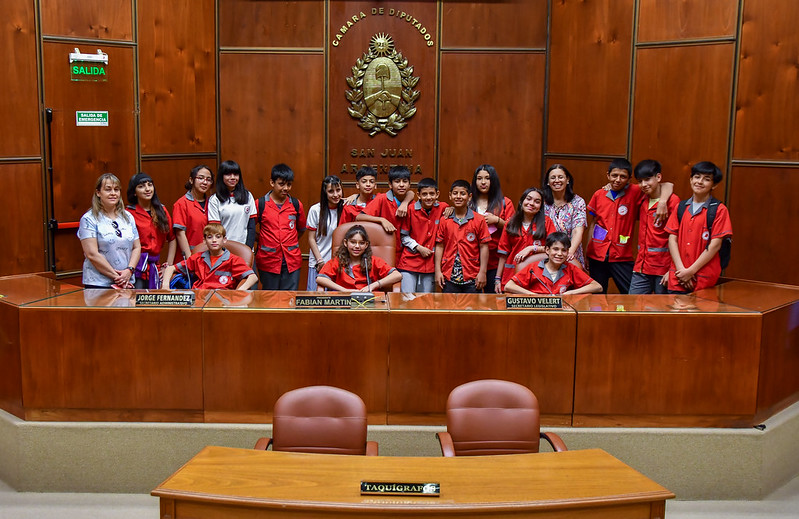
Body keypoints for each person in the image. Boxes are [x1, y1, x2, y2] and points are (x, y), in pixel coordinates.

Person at [586, 158, 673, 294]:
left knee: (630, 295)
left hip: (621, 255)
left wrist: (662, 201)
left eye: (623, 177)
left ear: (629, 179)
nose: (618, 180)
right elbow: (594, 223)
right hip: (597, 253)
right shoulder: (599, 194)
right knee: (597, 296)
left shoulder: (636, 191)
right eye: (614, 175)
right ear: (608, 175)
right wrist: (588, 250)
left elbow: (667, 185)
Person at [665, 161, 733, 293]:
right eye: (696, 177)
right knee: (673, 310)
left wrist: (690, 271)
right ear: (691, 179)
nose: (700, 182)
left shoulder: (719, 210)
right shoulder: (681, 207)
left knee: (700, 311)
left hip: (703, 277)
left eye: (706, 179)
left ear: (714, 185)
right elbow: (672, 239)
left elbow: (715, 245)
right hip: (678, 275)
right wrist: (682, 271)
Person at [77, 173, 141, 289]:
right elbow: (92, 254)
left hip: (127, 281)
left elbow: (137, 247)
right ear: (98, 192)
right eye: (108, 189)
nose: (113, 193)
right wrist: (117, 277)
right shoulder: (88, 219)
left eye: (116, 189)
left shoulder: (128, 217)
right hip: (99, 284)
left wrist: (129, 270)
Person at [629, 160, 680, 294]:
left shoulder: (673, 201)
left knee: (660, 310)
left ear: (658, 177)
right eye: (640, 181)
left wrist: (672, 270)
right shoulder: (642, 198)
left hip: (663, 269)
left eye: (647, 179)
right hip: (641, 267)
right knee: (632, 306)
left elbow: (678, 237)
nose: (644, 185)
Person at [254, 163, 306, 290]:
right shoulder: (260, 204)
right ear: (272, 183)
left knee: (289, 300)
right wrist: (263, 239)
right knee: (269, 299)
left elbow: (301, 229)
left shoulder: (295, 204)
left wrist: (287, 241)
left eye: (289, 184)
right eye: (281, 184)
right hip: (268, 261)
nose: (286, 188)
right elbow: (249, 229)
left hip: (291, 261)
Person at [161, 223, 258, 290]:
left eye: (218, 237)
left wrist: (240, 291)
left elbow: (253, 277)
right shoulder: (198, 258)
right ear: (204, 241)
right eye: (210, 237)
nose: (214, 240)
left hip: (222, 300)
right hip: (199, 297)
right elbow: (170, 268)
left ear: (224, 240)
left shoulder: (233, 260)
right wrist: (165, 286)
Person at [434, 179, 491, 293]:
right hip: (448, 277)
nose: (458, 196)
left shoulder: (478, 220)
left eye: (462, 193)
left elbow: (484, 247)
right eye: (455, 193)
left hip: (472, 276)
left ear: (469, 197)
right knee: (449, 309)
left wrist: (482, 272)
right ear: (450, 196)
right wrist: (438, 271)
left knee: (473, 309)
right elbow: (440, 246)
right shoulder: (444, 220)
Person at [495, 187, 556, 292]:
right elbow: (503, 253)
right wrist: (497, 279)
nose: (531, 203)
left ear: (540, 207)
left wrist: (533, 248)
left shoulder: (547, 222)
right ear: (522, 201)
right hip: (512, 272)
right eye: (528, 199)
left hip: (538, 274)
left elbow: (554, 247)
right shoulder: (510, 223)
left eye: (537, 202)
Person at [505, 232, 602, 295]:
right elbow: (508, 286)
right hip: (537, 310)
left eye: (564, 250)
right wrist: (533, 295)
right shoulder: (533, 268)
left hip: (563, 312)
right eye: (555, 249)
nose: (559, 254)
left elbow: (597, 287)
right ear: (547, 250)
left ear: (568, 252)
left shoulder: (571, 268)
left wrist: (571, 293)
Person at [397, 177, 448, 293]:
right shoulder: (410, 210)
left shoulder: (443, 208)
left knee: (426, 302)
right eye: (424, 194)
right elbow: (403, 236)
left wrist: (451, 209)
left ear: (437, 194)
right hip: (409, 262)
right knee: (407, 299)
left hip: (431, 264)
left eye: (431, 194)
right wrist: (418, 247)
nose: (428, 197)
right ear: (418, 195)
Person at [468, 164, 514, 292]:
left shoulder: (505, 202)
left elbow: (514, 230)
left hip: (496, 262)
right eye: (479, 178)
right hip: (472, 261)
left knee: (494, 302)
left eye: (487, 178)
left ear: (493, 180)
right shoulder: (469, 202)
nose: (483, 182)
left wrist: (498, 221)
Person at [126, 172, 176, 289]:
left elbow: (172, 238)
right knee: (137, 301)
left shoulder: (161, 210)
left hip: (155, 267)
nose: (147, 189)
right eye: (141, 186)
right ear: (134, 192)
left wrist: (168, 266)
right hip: (136, 267)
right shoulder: (128, 213)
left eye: (150, 185)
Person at [316, 225, 401, 292]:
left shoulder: (374, 261)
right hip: (344, 300)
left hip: (369, 302)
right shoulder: (337, 261)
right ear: (346, 243)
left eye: (361, 243)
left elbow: (397, 275)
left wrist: (374, 285)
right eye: (353, 242)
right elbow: (320, 278)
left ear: (366, 245)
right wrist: (344, 290)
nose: (357, 246)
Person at [356, 165, 412, 264]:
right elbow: (359, 217)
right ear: (390, 185)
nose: (401, 185)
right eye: (397, 181)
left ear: (409, 184)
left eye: (405, 181)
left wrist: (406, 202)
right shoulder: (382, 198)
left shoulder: (412, 203)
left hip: (406, 253)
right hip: (383, 250)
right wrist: (382, 220)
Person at [541, 164, 587, 269]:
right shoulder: (541, 201)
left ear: (567, 180)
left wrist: (567, 253)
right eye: (553, 178)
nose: (557, 180)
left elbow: (578, 231)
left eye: (560, 177)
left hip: (571, 254)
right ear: (548, 182)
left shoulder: (578, 202)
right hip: (546, 253)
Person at [306, 175, 343, 291]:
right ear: (325, 193)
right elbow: (311, 238)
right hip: (319, 262)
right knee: (315, 302)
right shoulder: (315, 210)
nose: (336, 194)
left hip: (339, 265)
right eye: (331, 191)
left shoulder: (346, 208)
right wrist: (320, 261)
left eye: (338, 190)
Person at [208, 160, 257, 247]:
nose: (233, 177)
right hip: (224, 249)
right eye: (228, 174)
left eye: (236, 174)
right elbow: (215, 230)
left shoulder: (248, 196)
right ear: (221, 176)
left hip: (245, 247)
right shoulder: (215, 199)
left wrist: (248, 248)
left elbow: (251, 226)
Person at [173, 164, 213, 263]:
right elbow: (180, 233)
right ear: (191, 180)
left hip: (210, 256)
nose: (205, 182)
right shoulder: (182, 203)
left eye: (208, 179)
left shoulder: (213, 203)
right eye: (201, 178)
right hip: (190, 258)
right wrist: (189, 258)